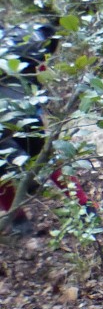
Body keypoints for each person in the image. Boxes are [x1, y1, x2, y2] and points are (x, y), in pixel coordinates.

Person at [1, 22, 92, 237]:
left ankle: (83, 208)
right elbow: (45, 37)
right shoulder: (13, 38)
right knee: (42, 159)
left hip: (23, 112)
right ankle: (83, 208)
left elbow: (45, 38)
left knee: (42, 159)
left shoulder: (12, 39)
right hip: (23, 111)